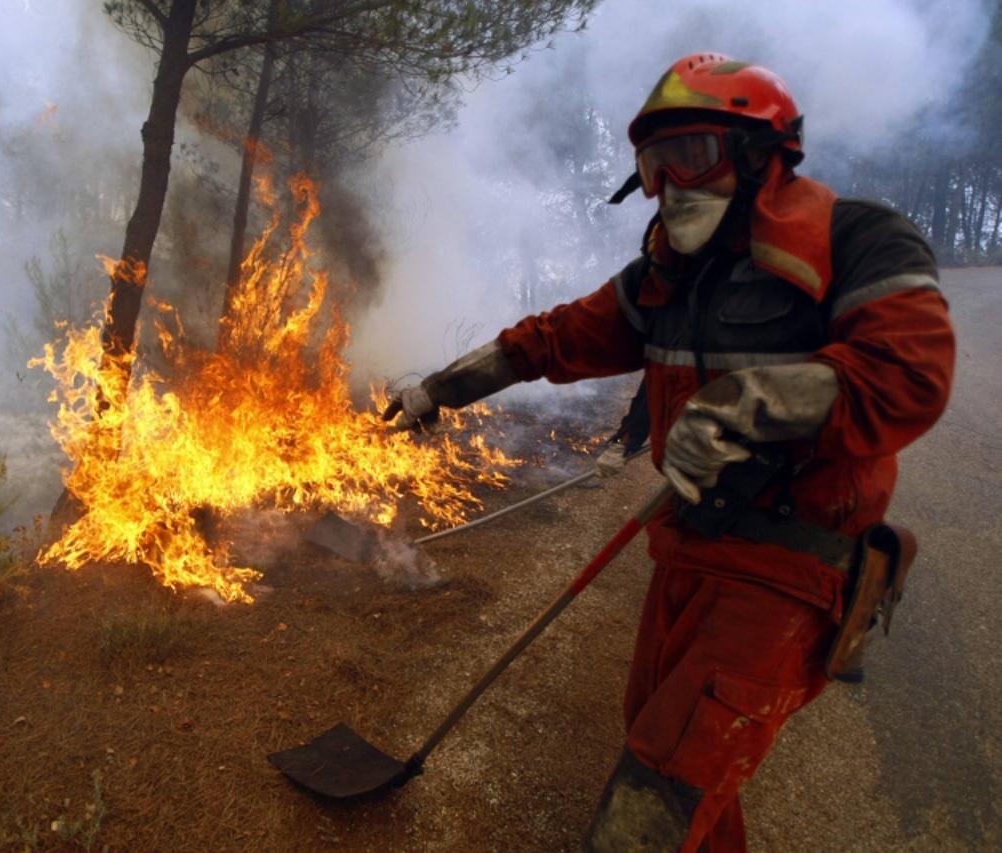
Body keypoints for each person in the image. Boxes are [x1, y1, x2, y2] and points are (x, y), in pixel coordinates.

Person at [383, 53, 954, 851]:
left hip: (787, 570)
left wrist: (747, 404)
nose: (671, 185)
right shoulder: (665, 276)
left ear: (762, 154)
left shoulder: (857, 239)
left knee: (651, 801)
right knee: (677, 764)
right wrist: (439, 389)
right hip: (686, 552)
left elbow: (908, 374)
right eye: (654, 165)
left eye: (691, 155)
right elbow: (552, 338)